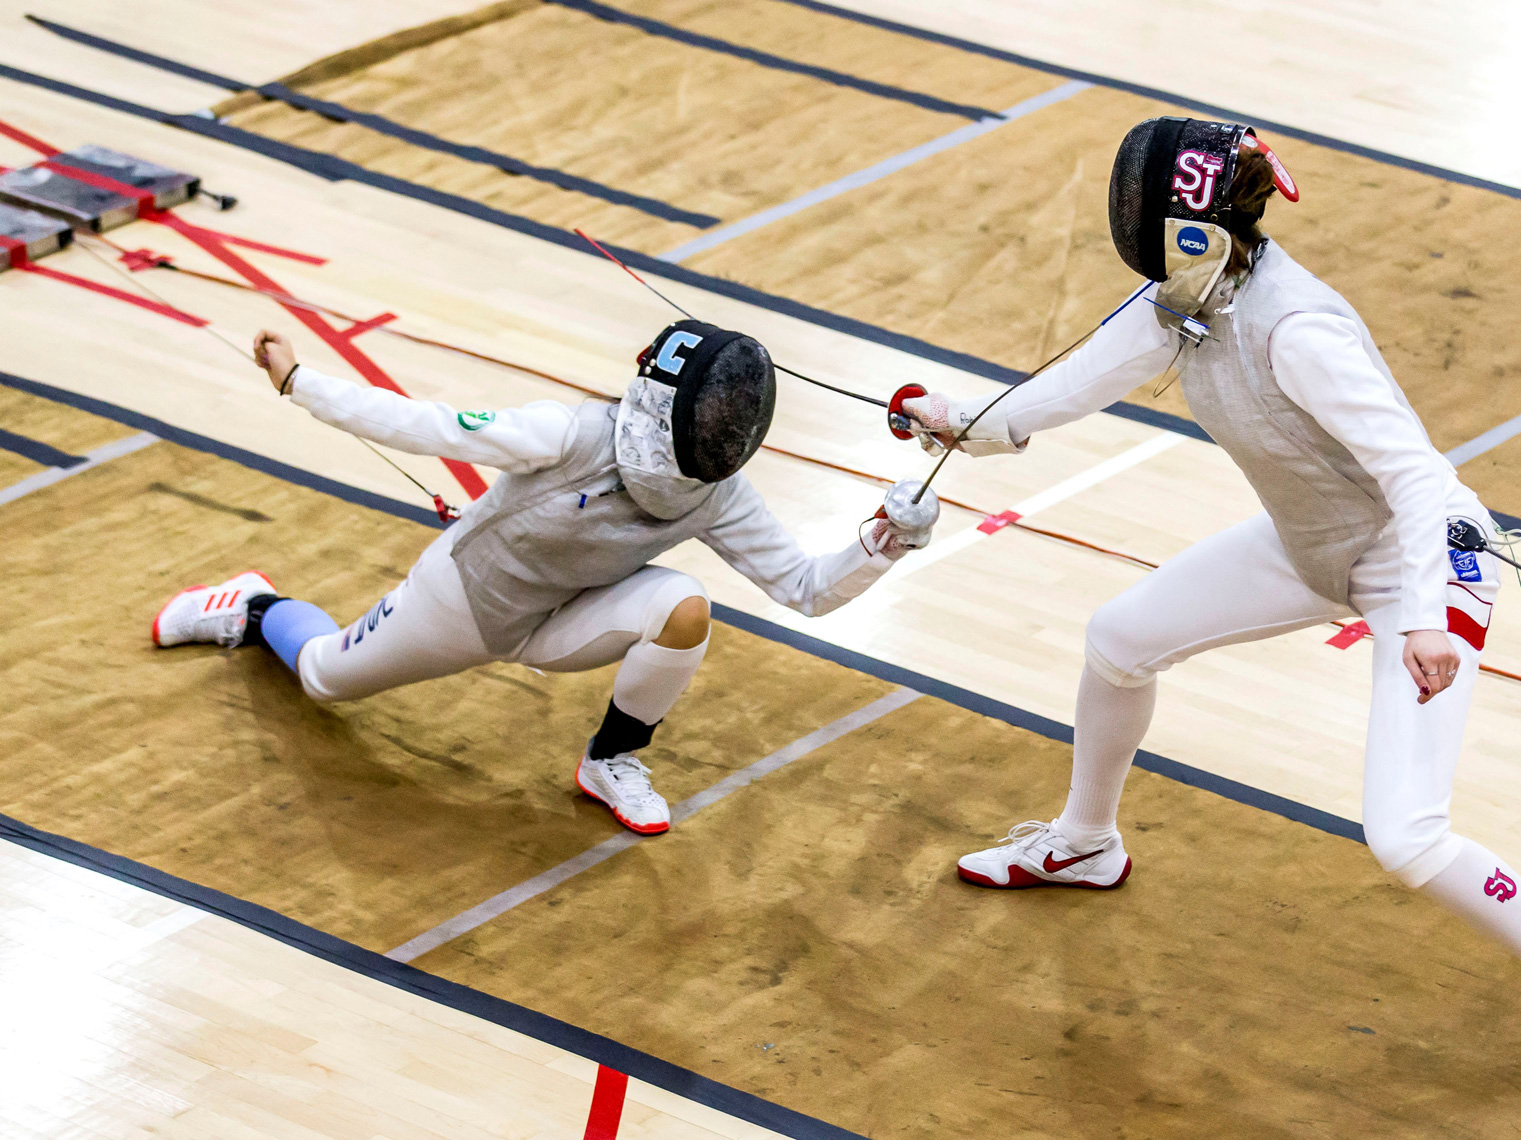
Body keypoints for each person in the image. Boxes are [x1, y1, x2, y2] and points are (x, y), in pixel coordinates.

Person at [897, 118, 1521, 1104]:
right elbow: (1073, 385)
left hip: (1424, 560)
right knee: (1119, 642)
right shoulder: (1186, 297)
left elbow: (1415, 479)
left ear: (1191, 228)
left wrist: (1422, 614)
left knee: (1406, 837)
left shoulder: (1300, 329)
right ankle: (1086, 841)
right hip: (1311, 544)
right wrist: (962, 425)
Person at [153, 320, 938, 834]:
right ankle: (256, 607)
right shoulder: (571, 433)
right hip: (460, 600)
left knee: (685, 608)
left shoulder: (718, 495)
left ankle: (609, 761)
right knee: (325, 680)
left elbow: (805, 587)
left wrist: (886, 540)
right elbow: (424, 423)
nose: (722, 434)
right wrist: (300, 382)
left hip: (561, 621)